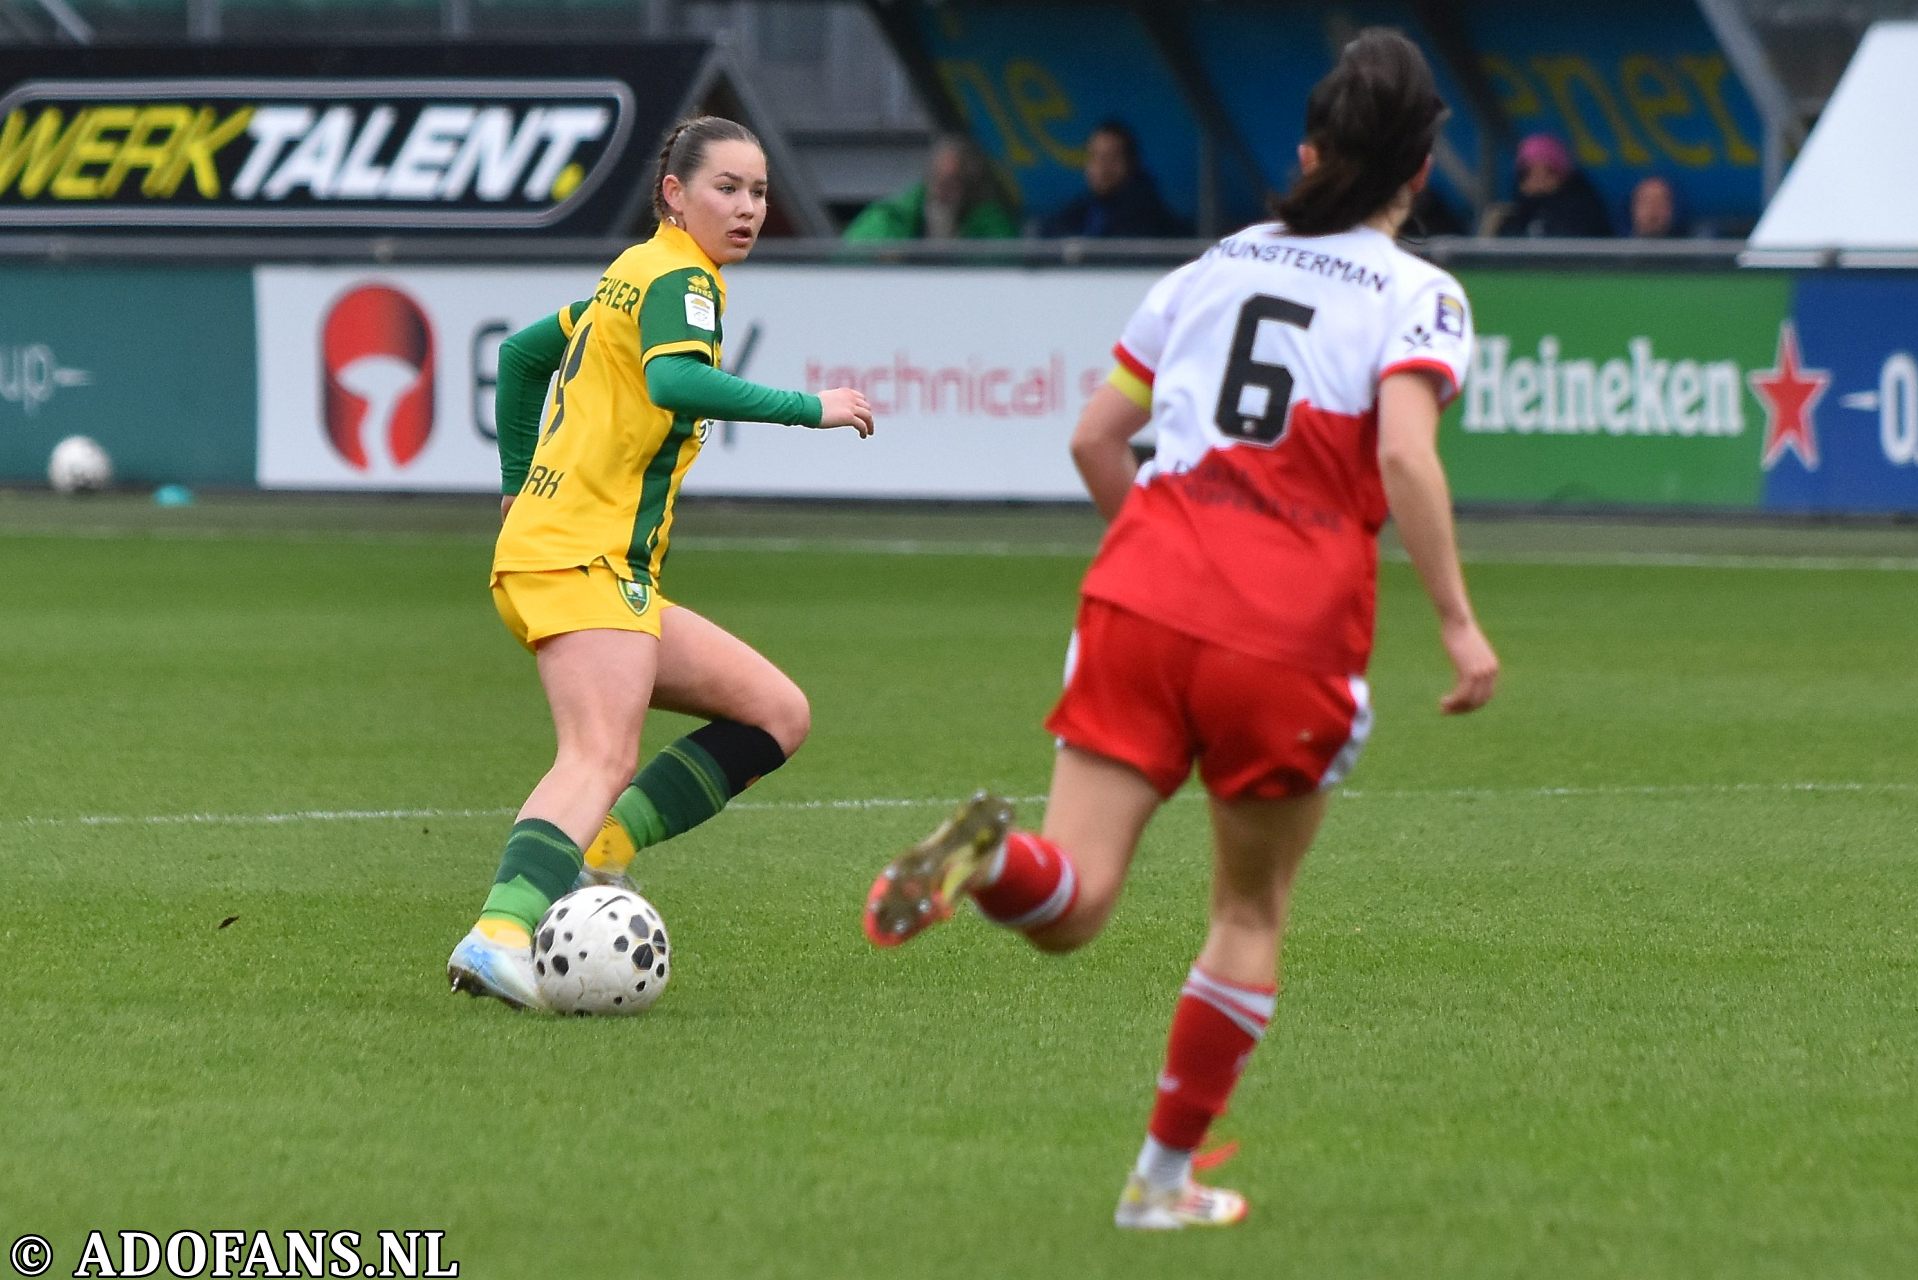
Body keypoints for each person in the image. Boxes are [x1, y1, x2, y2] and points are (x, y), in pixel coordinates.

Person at [860, 29, 1499, 1230]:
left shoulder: (1215, 265)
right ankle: (1159, 1184)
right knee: (1245, 914)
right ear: (1419, 169)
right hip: (1285, 625)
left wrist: (1153, 561)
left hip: (1143, 589)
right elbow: (1407, 453)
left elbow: (1095, 439)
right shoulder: (1420, 293)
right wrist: (1461, 626)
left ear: (1310, 152)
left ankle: (991, 862)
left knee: (1077, 898)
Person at [447, 115, 876, 1009]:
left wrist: (518, 485)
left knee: (774, 714)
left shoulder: (633, 273)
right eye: (727, 187)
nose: (749, 207)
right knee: (599, 754)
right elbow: (675, 381)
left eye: (759, 191)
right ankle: (499, 931)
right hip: (583, 559)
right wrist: (813, 407)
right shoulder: (681, 276)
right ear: (674, 195)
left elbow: (524, 357)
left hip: (590, 561)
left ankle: (599, 855)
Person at [842, 134, 1019, 240]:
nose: (942, 191)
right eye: (937, 179)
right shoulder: (893, 216)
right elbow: (850, 255)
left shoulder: (991, 226)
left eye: (955, 182)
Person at [1039, 119, 1189, 238]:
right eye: (1095, 157)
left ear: (1130, 163)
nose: (1102, 167)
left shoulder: (1147, 213)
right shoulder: (1085, 207)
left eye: (1111, 158)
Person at [1492, 132, 1612, 238]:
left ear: (1564, 175)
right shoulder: (1511, 215)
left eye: (1549, 171)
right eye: (1527, 172)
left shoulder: (1582, 213)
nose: (1538, 179)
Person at [1627, 174, 1680, 238]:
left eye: (1659, 203)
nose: (1653, 209)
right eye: (1647, 202)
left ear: (1670, 210)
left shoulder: (1687, 245)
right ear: (1634, 208)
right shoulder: (1620, 246)